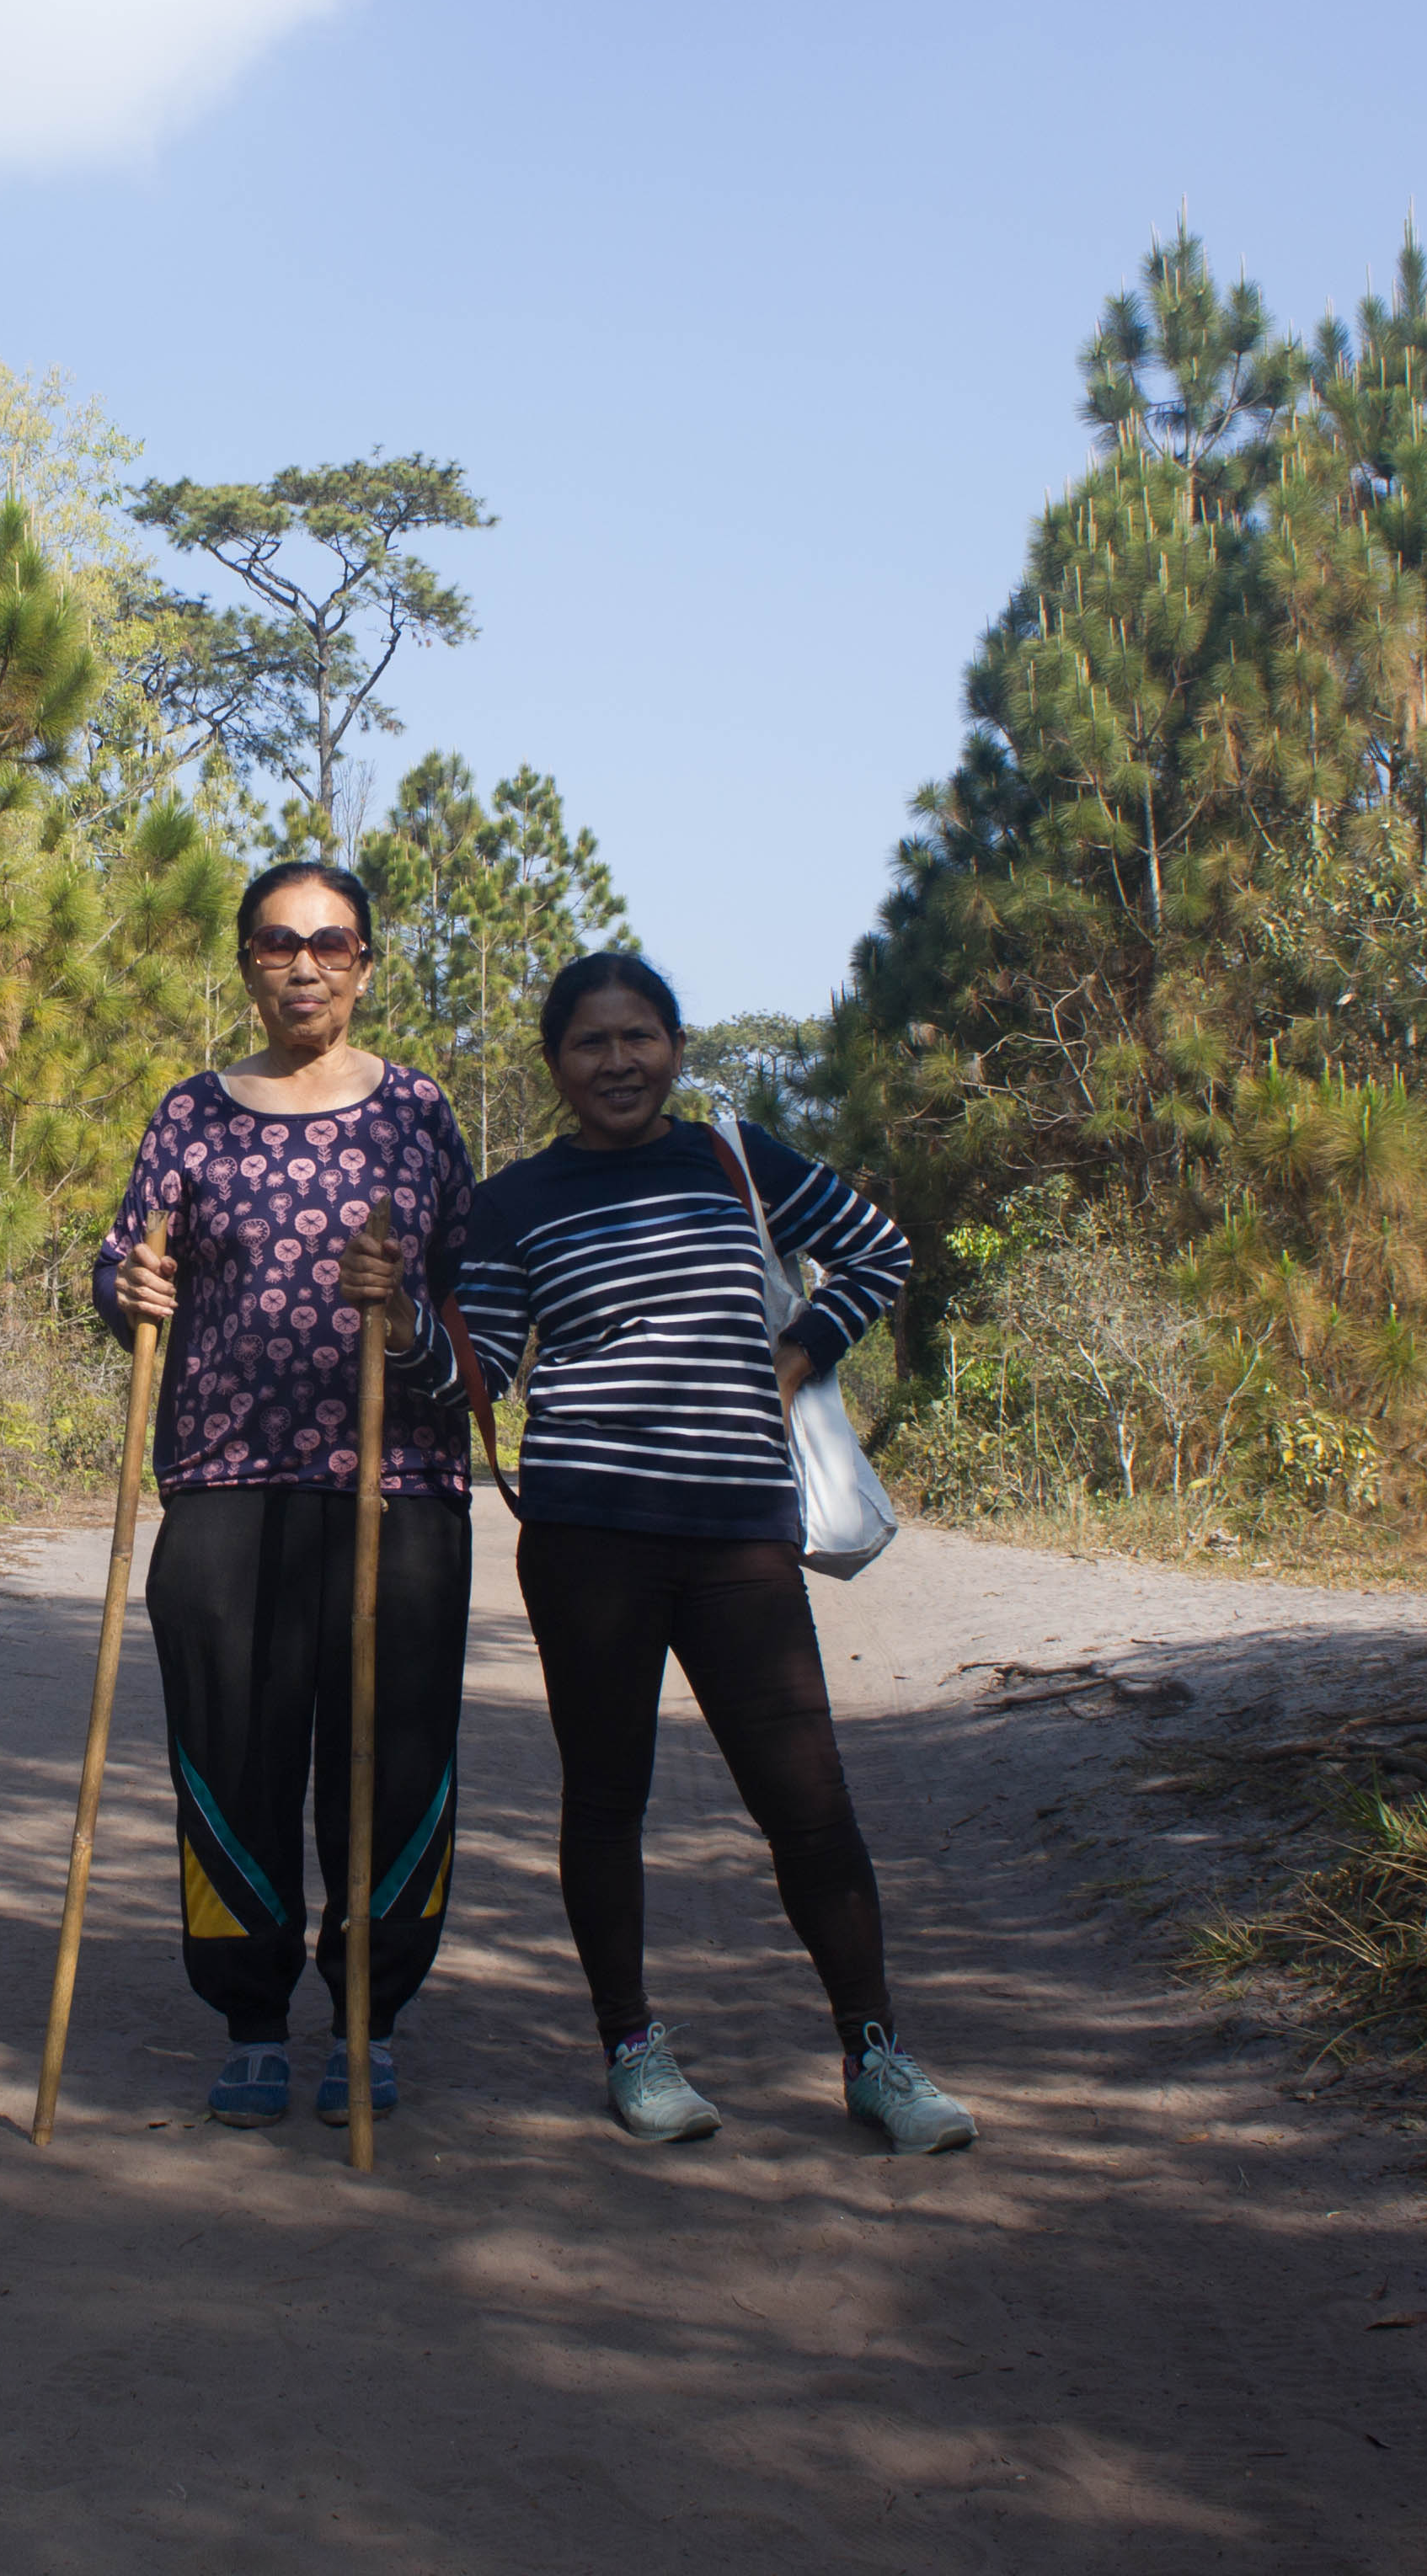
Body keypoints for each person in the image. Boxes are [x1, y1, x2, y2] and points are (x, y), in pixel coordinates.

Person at [445, 950, 975, 2155]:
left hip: (739, 1532)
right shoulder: (513, 1201)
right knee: (606, 1798)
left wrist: (796, 1355)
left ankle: (877, 2055)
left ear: (676, 1049)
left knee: (810, 1804)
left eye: (640, 1037)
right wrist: (403, 1320)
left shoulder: (737, 1161)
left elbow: (879, 1251)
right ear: (555, 1065)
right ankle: (634, 2048)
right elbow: (480, 1361)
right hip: (587, 1540)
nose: (617, 1061)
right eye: (591, 1042)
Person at [92, 861, 473, 2131]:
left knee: (392, 1755)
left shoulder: (419, 1114)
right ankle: (253, 2011)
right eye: (277, 943)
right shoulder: (191, 1114)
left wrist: (405, 1316)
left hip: (396, 1483)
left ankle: (373, 2007)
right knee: (231, 1747)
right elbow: (129, 1258)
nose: (305, 965)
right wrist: (126, 1289)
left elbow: (474, 1312)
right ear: (246, 963)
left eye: (332, 944)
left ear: (365, 964)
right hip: (224, 1481)